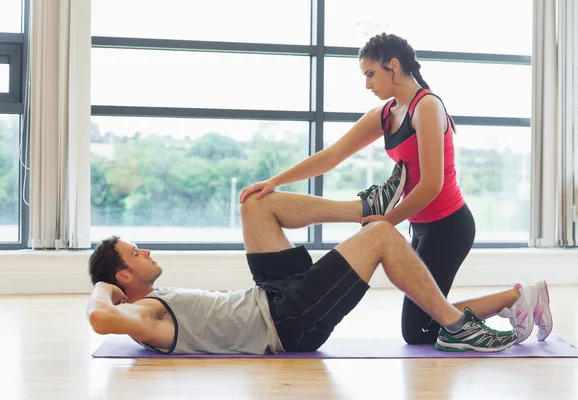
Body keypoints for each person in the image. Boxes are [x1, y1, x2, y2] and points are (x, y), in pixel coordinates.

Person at [239, 32, 546, 345]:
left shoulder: (426, 107)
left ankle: (518, 296)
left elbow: (431, 184)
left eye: (371, 74)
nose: (367, 84)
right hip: (421, 227)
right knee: (422, 325)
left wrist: (386, 223)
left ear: (394, 66)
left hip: (450, 226)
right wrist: (276, 181)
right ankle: (518, 298)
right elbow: (331, 156)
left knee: (419, 330)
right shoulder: (386, 114)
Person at [86, 190, 552, 355]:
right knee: (384, 236)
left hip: (271, 293)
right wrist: (103, 289)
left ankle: (363, 206)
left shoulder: (152, 301)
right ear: (124, 278)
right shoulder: (146, 316)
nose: (145, 250)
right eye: (135, 252)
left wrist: (112, 288)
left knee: (256, 204)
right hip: (288, 320)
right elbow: (101, 320)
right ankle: (458, 327)